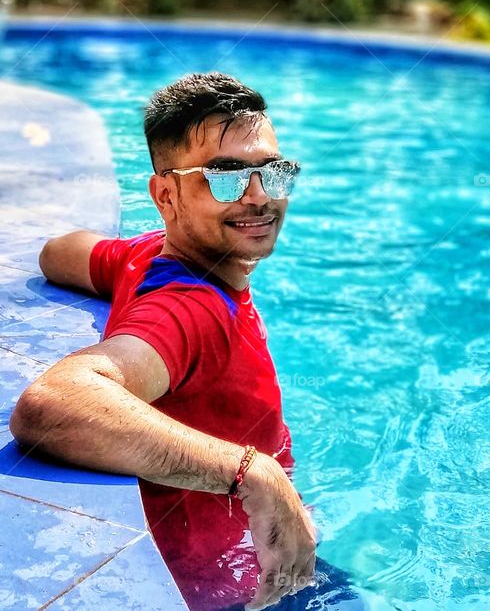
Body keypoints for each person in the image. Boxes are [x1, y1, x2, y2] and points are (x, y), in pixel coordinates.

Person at [9, 73, 359, 611]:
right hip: (237, 587)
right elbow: (52, 405)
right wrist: (253, 474)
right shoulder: (193, 311)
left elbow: (60, 251)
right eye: (225, 178)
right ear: (166, 194)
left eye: (273, 170)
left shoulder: (145, 255)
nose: (259, 196)